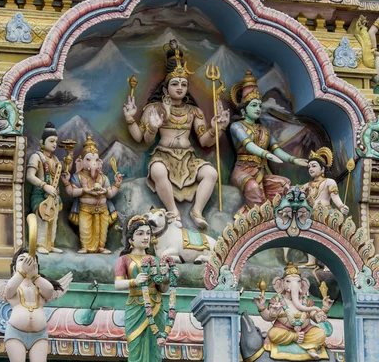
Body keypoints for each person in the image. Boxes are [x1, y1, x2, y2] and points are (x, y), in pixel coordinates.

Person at [123, 40, 230, 229]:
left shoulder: (193, 111)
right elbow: (142, 138)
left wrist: (217, 128)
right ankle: (173, 211)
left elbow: (205, 141)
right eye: (175, 83)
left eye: (183, 84)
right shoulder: (154, 108)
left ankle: (197, 211)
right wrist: (132, 119)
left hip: (188, 159)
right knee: (157, 170)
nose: (179, 87)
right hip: (164, 155)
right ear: (165, 88)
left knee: (211, 173)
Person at [0, 248, 72, 362]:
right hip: (15, 332)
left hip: (39, 334)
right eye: (21, 260)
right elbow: (8, 290)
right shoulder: (13, 286)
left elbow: (50, 290)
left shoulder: (40, 285)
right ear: (14, 268)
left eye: (31, 261)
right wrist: (21, 273)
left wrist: (34, 276)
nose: (26, 263)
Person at [114, 216, 177, 362]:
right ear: (130, 239)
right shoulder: (124, 260)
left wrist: (167, 280)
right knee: (136, 342)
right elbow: (118, 284)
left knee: (155, 343)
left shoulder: (156, 260)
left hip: (156, 304)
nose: (145, 237)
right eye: (140, 234)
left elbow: (162, 288)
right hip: (136, 304)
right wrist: (134, 281)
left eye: (148, 233)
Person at [229, 71, 307, 211]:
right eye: (253, 105)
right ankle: (257, 221)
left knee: (284, 184)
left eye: (259, 105)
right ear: (243, 110)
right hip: (242, 170)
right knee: (252, 186)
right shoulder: (237, 126)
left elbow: (277, 150)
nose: (258, 109)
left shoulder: (265, 130)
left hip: (260, 171)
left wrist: (294, 160)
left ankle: (277, 216)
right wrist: (266, 155)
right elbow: (249, 145)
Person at [26, 122, 63, 254]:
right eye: (51, 141)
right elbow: (30, 176)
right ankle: (39, 244)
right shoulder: (36, 156)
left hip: (53, 195)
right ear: (42, 142)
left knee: (53, 220)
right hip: (40, 193)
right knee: (42, 218)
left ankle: (50, 244)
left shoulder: (56, 160)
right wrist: (44, 186)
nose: (54, 144)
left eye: (56, 141)